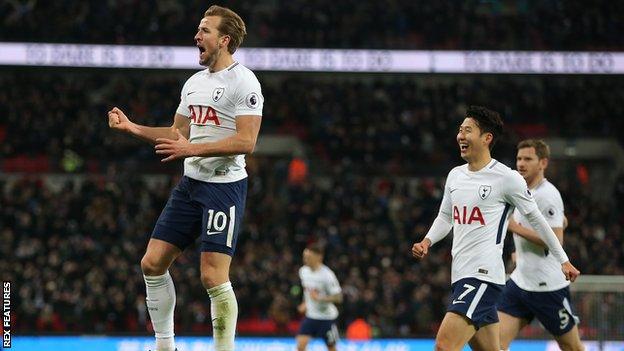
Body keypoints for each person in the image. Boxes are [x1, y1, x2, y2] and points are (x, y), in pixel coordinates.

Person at [107, 5, 263, 351]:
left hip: (224, 188)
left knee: (212, 275)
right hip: (191, 186)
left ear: (224, 40)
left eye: (204, 30)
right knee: (152, 262)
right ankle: (166, 345)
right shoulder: (193, 84)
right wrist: (132, 127)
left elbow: (246, 141)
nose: (197, 36)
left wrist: (194, 150)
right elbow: (177, 133)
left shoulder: (244, 81)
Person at [411, 106, 580, 351]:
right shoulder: (455, 176)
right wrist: (427, 241)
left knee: (444, 345)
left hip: (482, 276)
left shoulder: (506, 178)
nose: (460, 136)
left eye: (467, 130)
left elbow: (537, 219)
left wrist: (563, 260)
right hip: (460, 274)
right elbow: (446, 217)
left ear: (486, 138)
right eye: (459, 130)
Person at [498, 140, 584, 351]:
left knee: (572, 348)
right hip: (520, 284)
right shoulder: (521, 191)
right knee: (495, 345)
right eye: (519, 158)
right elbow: (554, 223)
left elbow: (557, 240)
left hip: (548, 288)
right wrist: (518, 252)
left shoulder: (548, 194)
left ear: (542, 163)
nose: (521, 163)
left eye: (528, 159)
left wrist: (514, 228)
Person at [296, 243, 343, 351]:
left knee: (331, 348)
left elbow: (339, 298)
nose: (305, 259)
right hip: (311, 316)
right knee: (300, 346)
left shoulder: (327, 275)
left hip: (327, 318)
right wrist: (305, 303)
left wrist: (320, 298)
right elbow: (307, 291)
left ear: (319, 257)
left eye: (308, 257)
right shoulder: (303, 271)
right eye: (304, 257)